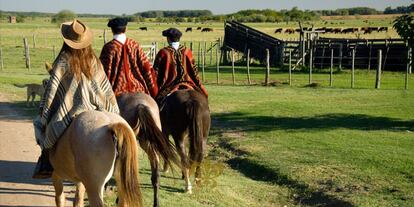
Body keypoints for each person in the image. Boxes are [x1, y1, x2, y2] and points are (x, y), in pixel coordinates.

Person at [32, 19, 119, 179]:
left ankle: (45, 163)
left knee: (46, 128)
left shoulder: (63, 59)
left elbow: (52, 90)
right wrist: (111, 107)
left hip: (68, 110)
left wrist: (44, 114)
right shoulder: (93, 60)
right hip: (95, 107)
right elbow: (104, 88)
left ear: (67, 40)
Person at [99, 17, 158, 98]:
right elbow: (146, 67)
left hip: (116, 90)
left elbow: (103, 71)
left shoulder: (108, 47)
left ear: (112, 30)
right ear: (125, 29)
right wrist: (153, 90)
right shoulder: (134, 45)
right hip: (138, 87)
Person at [153, 28, 208, 104]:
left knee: (156, 103)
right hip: (188, 83)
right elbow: (194, 71)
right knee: (203, 98)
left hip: (169, 86)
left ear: (168, 39)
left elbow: (155, 72)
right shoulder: (187, 51)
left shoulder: (163, 52)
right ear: (179, 38)